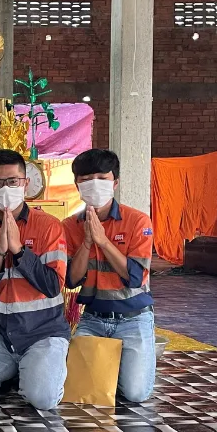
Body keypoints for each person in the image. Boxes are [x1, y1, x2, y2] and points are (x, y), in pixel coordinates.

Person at [0, 150, 70, 410]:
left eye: (13, 182)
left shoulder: (49, 226)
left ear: (25, 184)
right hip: (0, 335)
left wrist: (18, 251)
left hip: (44, 332)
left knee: (42, 399)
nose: (5, 188)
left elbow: (52, 286)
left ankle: (46, 364)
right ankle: (14, 368)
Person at [61, 149, 156, 403]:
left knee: (135, 394)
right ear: (77, 184)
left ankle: (132, 360)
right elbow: (71, 280)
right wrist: (87, 243)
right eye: (86, 179)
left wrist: (103, 241)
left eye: (102, 178)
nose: (95, 184)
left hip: (133, 319)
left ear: (115, 182)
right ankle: (112, 367)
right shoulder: (70, 226)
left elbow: (135, 277)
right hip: (93, 319)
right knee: (82, 389)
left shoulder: (137, 221)